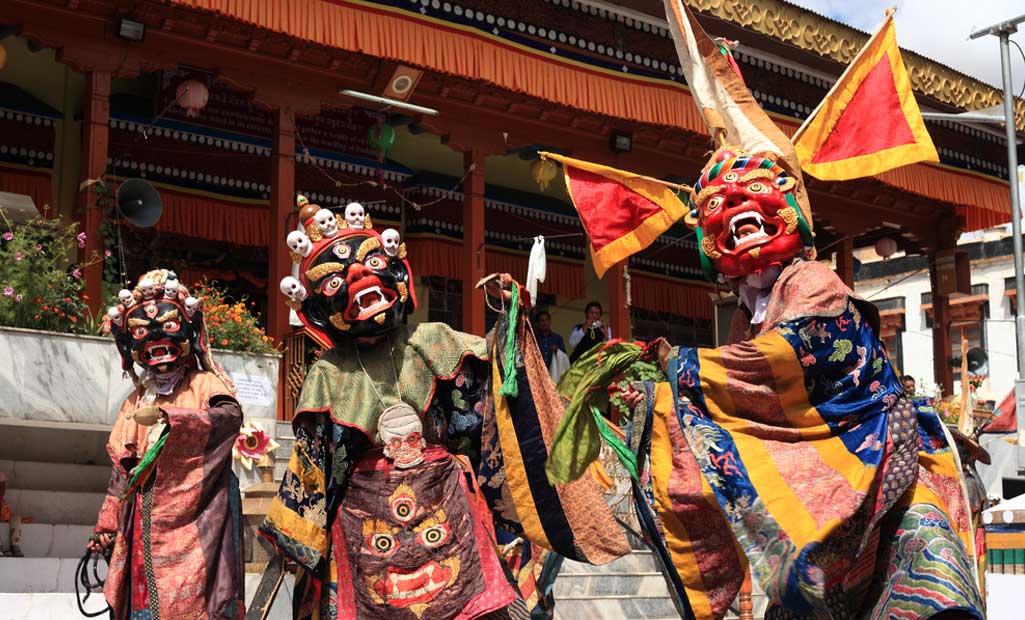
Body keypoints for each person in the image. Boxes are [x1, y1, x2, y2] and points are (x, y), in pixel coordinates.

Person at [550, 148, 983, 620]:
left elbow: (790, 355)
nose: (736, 213)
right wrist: (658, 396)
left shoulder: (813, 280)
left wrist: (676, 369)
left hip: (883, 460)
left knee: (924, 559)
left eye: (753, 194)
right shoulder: (744, 317)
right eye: (719, 207)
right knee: (799, 593)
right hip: (818, 484)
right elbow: (736, 398)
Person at [261, 199, 628, 619]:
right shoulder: (327, 373)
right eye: (336, 279)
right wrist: (298, 536)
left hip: (448, 503)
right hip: (364, 529)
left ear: (398, 274)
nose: (359, 275)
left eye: (371, 262)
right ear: (318, 309)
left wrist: (509, 321)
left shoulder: (433, 340)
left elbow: (493, 388)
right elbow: (315, 466)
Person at [89, 269, 245, 620]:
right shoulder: (135, 399)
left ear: (189, 332)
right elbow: (122, 468)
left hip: (201, 512)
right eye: (141, 331)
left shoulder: (205, 384)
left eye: (169, 326)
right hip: (145, 516)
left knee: (204, 601)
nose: (155, 338)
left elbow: (230, 419)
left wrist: (176, 422)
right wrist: (107, 524)